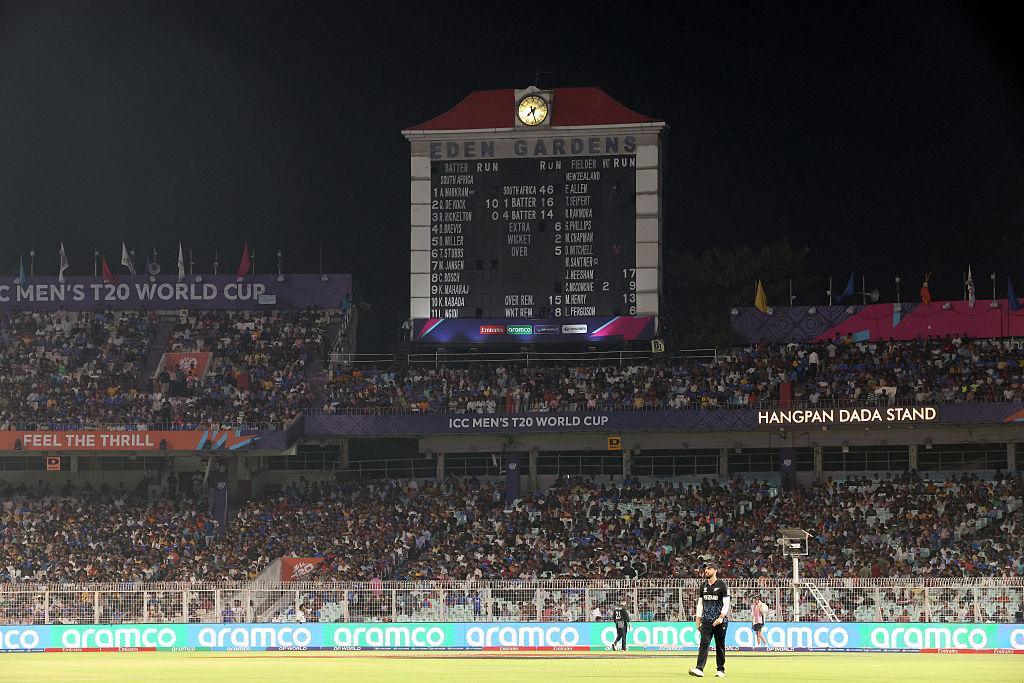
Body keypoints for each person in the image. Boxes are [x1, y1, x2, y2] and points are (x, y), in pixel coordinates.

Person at [689, 562, 730, 678]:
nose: (706, 570)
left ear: (715, 570)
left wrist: (721, 617)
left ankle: (720, 670)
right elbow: (700, 603)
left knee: (720, 645)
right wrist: (698, 618)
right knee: (704, 643)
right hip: (706, 620)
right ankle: (699, 669)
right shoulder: (703, 586)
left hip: (719, 621)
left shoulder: (722, 585)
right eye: (705, 569)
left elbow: (726, 603)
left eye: (709, 568)